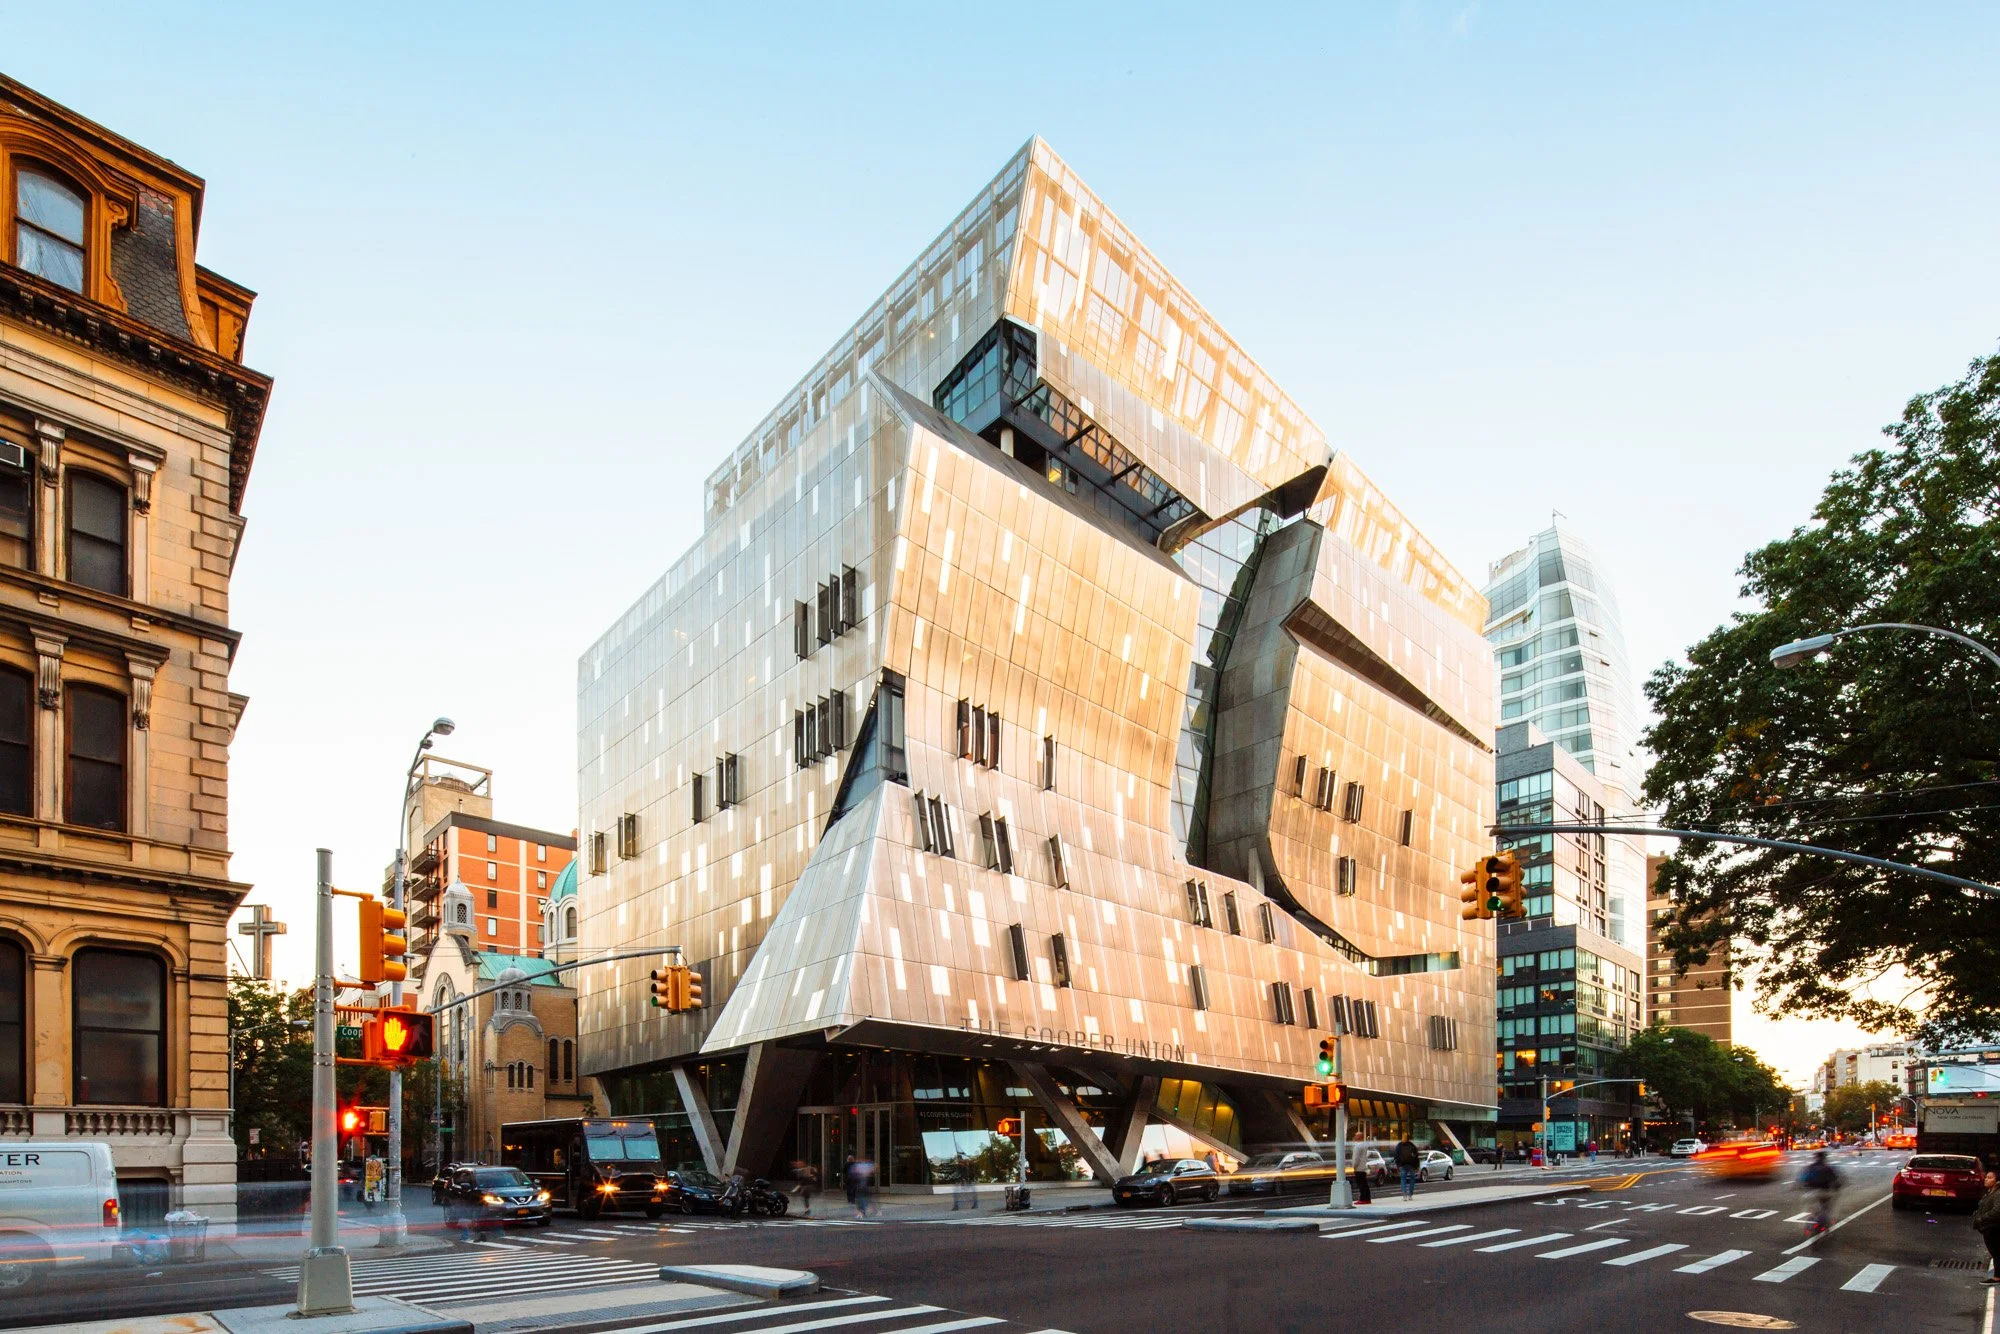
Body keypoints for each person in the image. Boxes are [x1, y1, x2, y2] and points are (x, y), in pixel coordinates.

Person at [1800, 1150, 1841, 1235]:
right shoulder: (1828, 1168)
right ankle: (1825, 1225)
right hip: (1824, 1192)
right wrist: (1837, 1188)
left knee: (1813, 1208)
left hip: (1810, 1193)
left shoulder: (1810, 1167)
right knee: (1826, 1208)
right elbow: (1836, 1181)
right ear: (1824, 1158)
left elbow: (1803, 1179)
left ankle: (1811, 1220)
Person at [1973, 1168, 2000, 1284]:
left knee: (1997, 1251)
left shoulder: (1998, 1193)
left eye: (1990, 1178)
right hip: (1989, 1227)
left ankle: (1997, 1277)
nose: (1986, 1180)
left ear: (1997, 1181)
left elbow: (1997, 1211)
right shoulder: (1991, 1192)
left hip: (1993, 1227)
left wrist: (1982, 1218)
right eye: (1986, 1177)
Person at [1394, 1136, 1421, 1201]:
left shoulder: (1399, 1145)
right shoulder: (1412, 1145)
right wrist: (1417, 1166)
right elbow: (1416, 1156)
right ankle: (1410, 1195)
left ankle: (1404, 1195)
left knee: (1403, 1180)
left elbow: (1396, 1156)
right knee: (1412, 1180)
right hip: (1411, 1165)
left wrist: (1398, 1165)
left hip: (1403, 1165)